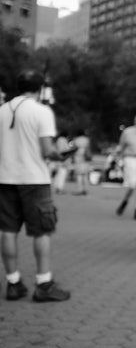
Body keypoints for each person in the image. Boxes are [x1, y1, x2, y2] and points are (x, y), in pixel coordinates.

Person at [0, 70, 71, 302]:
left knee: (8, 230)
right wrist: (61, 156)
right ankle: (43, 284)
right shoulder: (41, 111)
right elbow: (47, 150)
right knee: (42, 231)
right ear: (40, 88)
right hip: (35, 179)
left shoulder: (2, 110)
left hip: (5, 179)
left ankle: (13, 282)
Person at [71, 128, 92, 196]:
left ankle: (79, 189)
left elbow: (73, 149)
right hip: (85, 156)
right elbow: (88, 148)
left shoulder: (75, 140)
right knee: (85, 174)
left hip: (77, 156)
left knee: (79, 174)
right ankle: (86, 189)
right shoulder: (86, 139)